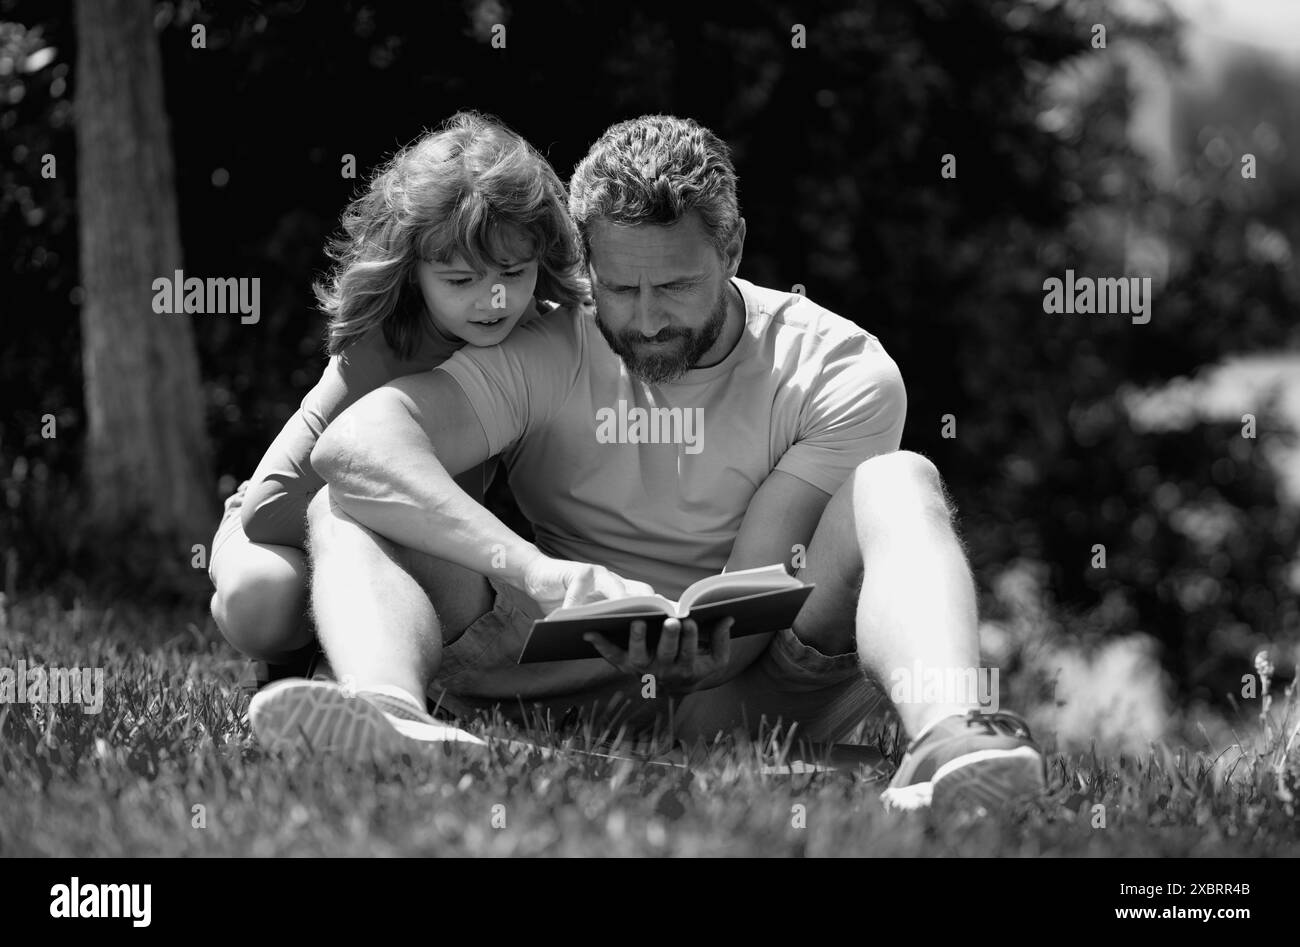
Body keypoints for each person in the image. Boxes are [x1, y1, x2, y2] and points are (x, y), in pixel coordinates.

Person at [250, 114, 1047, 814]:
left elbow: (748, 614)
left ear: (731, 246)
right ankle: (390, 715)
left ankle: (952, 735)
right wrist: (538, 571)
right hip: (554, 660)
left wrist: (695, 640)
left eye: (674, 284)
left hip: (742, 691)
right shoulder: (551, 339)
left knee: (900, 480)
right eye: (621, 287)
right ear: (587, 263)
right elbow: (355, 447)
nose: (647, 318)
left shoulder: (839, 370)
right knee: (350, 498)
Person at [207, 111, 588, 694]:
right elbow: (270, 505)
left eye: (514, 271)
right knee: (260, 598)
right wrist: (400, 519)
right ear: (413, 273)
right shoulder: (382, 346)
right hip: (289, 529)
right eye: (459, 280)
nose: (494, 298)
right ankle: (303, 663)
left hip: (401, 538)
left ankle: (357, 661)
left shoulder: (544, 337)